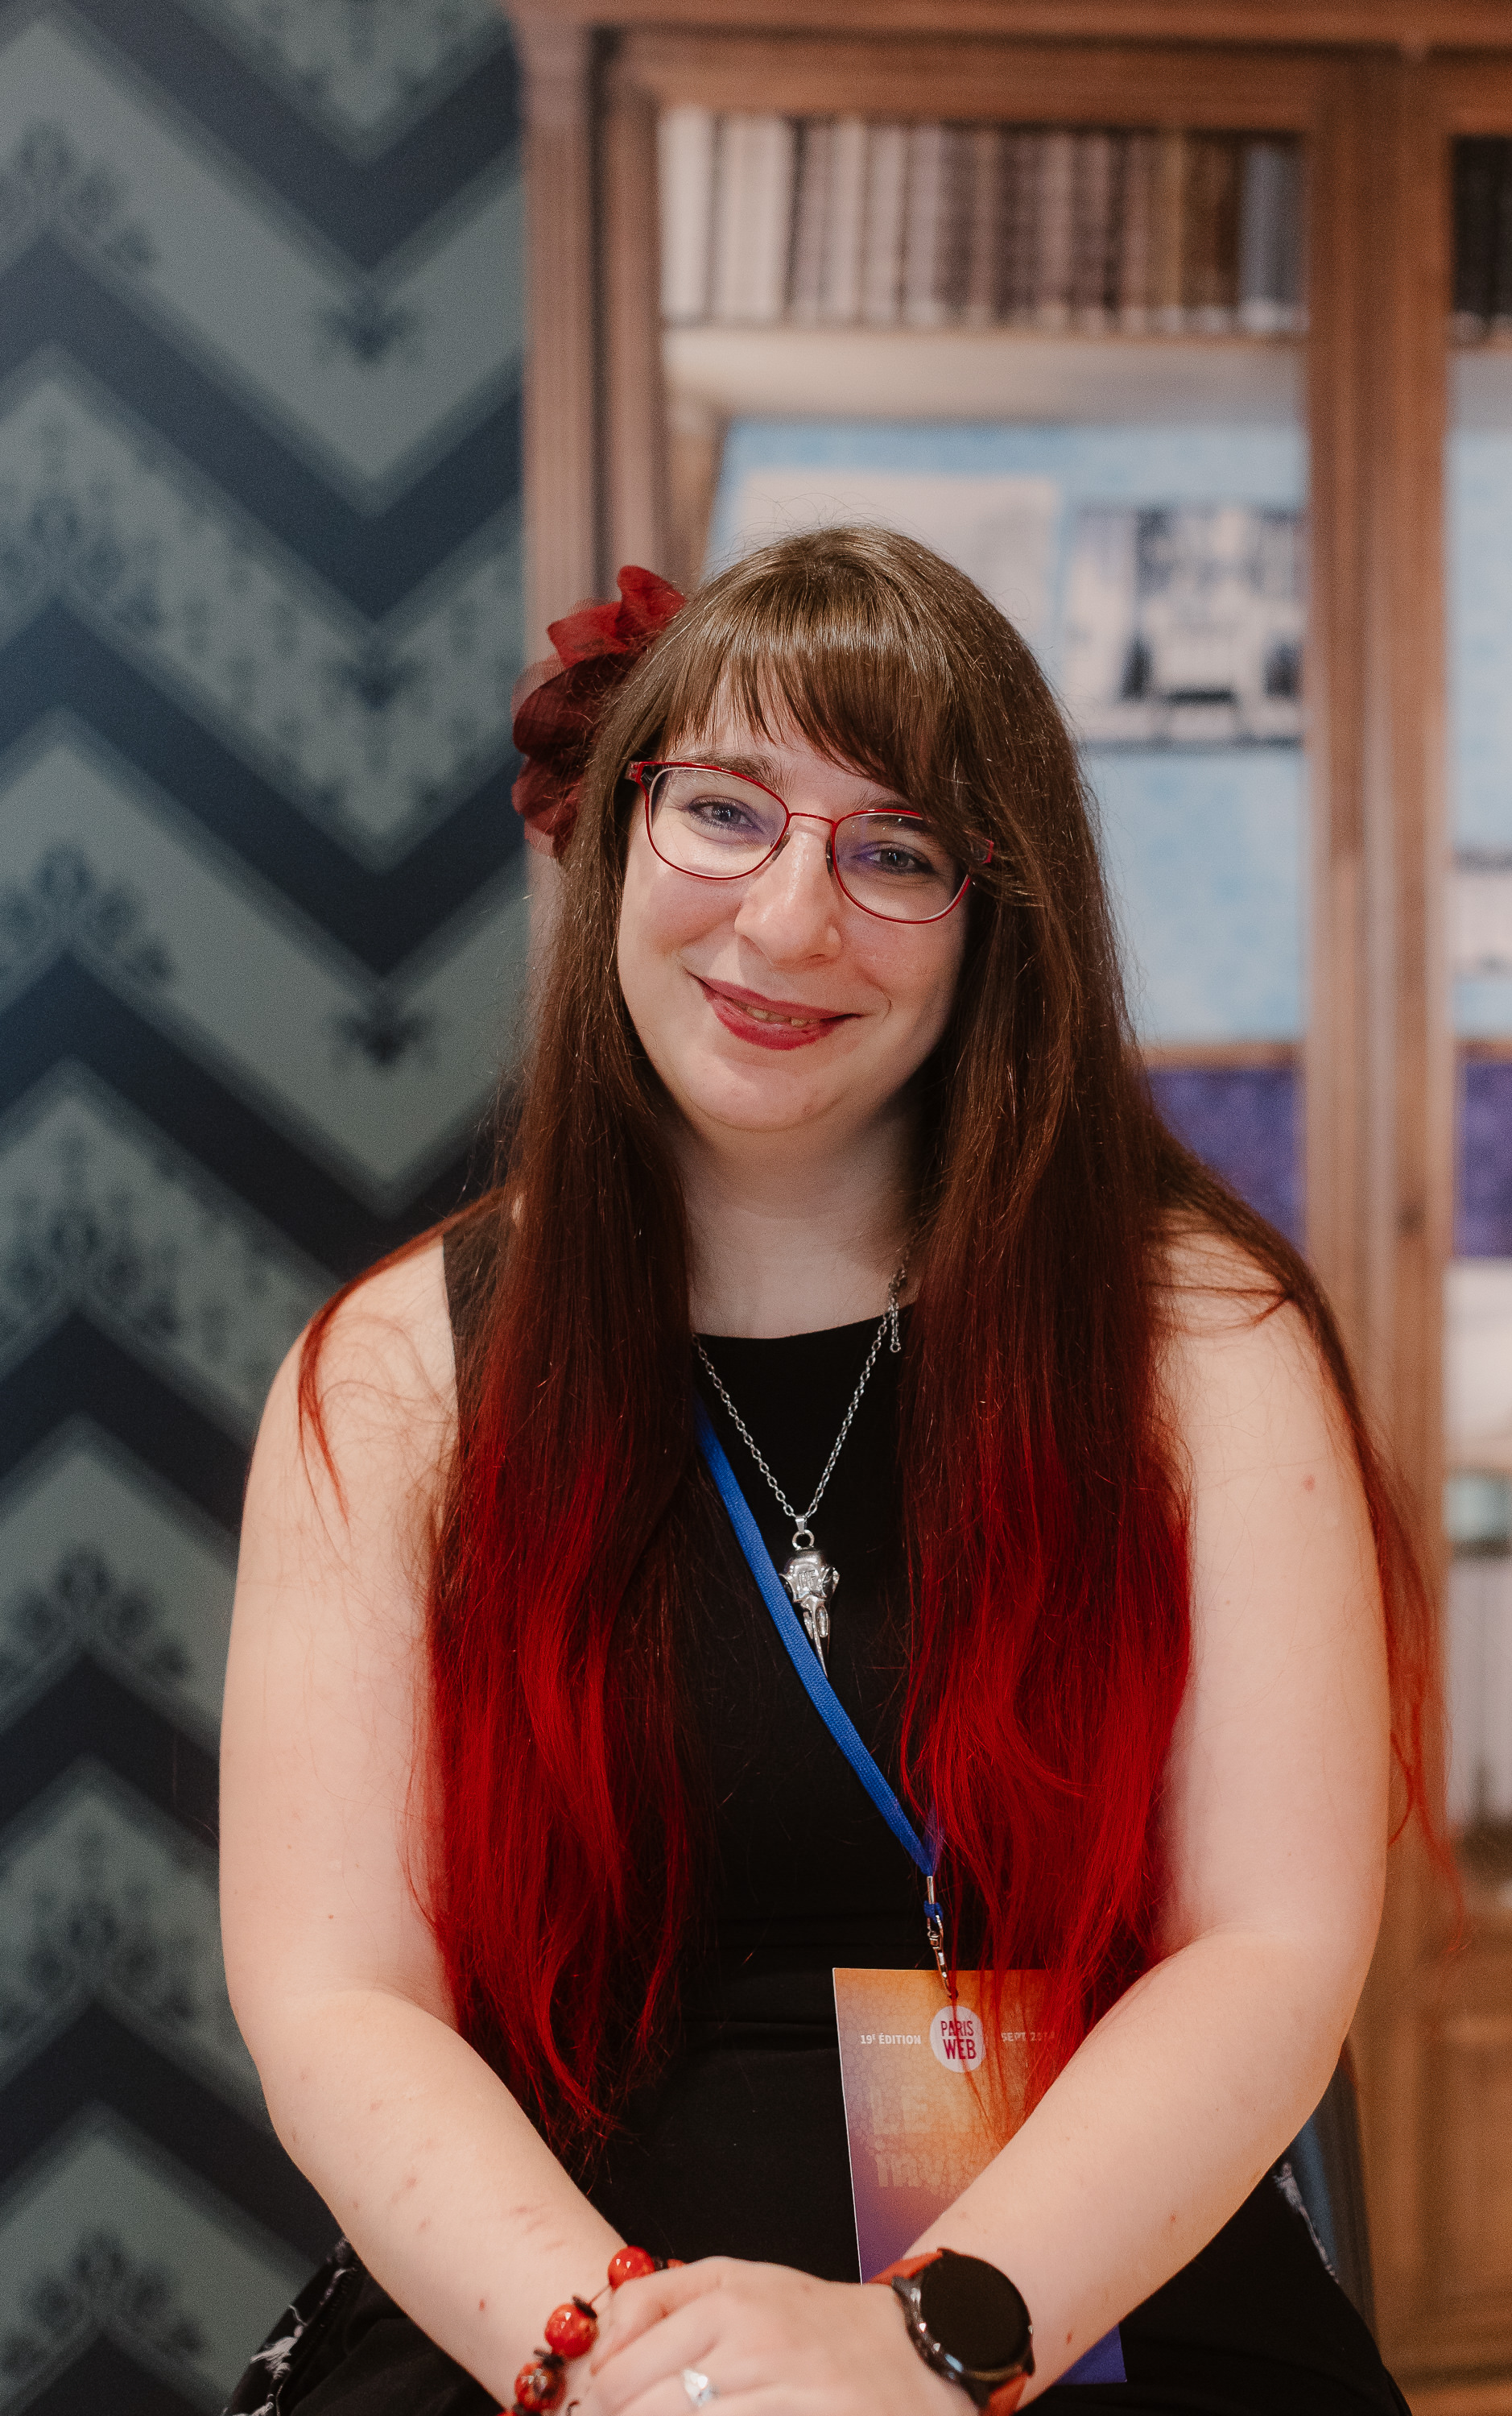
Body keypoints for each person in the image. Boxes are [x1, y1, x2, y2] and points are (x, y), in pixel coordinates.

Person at [220, 528, 1436, 2416]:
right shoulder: (393, 1374)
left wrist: (927, 2338)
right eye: (724, 811)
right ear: (619, 834)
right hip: (542, 2292)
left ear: (997, 914)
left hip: (1067, 2274)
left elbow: (1269, 1946)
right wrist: (617, 2365)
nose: (789, 923)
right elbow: (334, 1996)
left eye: (894, 851)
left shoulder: (1199, 1337)